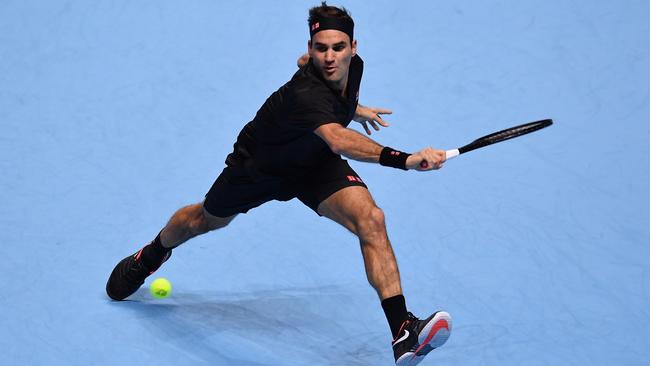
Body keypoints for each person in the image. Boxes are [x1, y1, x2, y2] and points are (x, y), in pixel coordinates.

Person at [106, 2, 451, 364]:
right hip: (259, 167)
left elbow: (330, 108)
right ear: (309, 48)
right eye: (320, 49)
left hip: (313, 165)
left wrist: (355, 108)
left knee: (372, 219)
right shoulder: (306, 94)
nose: (329, 57)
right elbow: (337, 139)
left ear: (354, 47)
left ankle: (402, 332)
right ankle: (152, 254)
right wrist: (406, 159)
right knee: (203, 220)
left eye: (337, 47)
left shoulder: (352, 68)